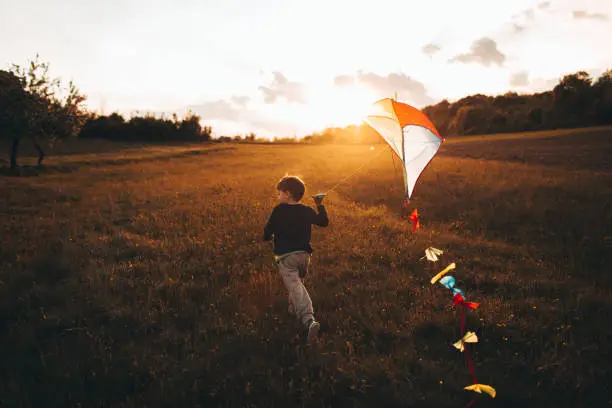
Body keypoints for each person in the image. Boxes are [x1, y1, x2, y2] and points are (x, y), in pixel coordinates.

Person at [263, 175, 329, 344]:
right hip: (304, 257)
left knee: (295, 285)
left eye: (279, 193)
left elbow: (268, 230)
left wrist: (266, 236)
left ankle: (308, 320)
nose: (278, 197)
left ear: (287, 194)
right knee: (297, 284)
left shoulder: (279, 210)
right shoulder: (306, 210)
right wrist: (319, 205)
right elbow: (323, 222)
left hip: (286, 257)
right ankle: (293, 311)